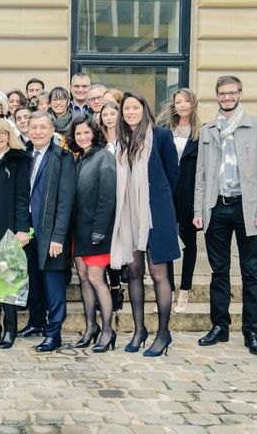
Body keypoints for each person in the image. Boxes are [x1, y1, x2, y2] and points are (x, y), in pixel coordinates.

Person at [194, 75, 257, 356]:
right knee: (219, 272)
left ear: (240, 94)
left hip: (248, 209)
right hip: (217, 207)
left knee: (250, 272)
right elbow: (202, 175)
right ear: (216, 96)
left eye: (231, 93)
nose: (226, 97)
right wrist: (199, 210)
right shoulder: (208, 130)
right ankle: (220, 326)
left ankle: (251, 331)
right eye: (222, 93)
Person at [110, 92, 180, 357]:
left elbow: (173, 175)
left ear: (144, 109)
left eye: (135, 107)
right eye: (126, 108)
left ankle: (163, 333)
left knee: (159, 273)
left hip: (155, 214)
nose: (130, 112)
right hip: (128, 215)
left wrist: (156, 202)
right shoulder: (122, 141)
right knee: (134, 271)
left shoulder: (161, 136)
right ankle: (139, 330)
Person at [16, 112, 75, 352]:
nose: (38, 132)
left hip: (51, 231)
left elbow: (66, 201)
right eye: (34, 127)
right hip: (28, 229)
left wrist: (58, 237)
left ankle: (54, 333)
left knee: (53, 284)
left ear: (52, 131)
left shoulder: (62, 157)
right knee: (34, 281)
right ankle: (36, 322)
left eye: (43, 127)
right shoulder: (25, 156)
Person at [68, 115, 117, 352]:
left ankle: (108, 330)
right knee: (84, 278)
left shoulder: (104, 157)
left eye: (86, 132)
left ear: (95, 133)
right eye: (78, 133)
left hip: (98, 230)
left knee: (97, 279)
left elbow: (108, 198)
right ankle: (90, 327)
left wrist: (99, 230)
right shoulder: (80, 158)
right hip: (79, 230)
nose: (83, 137)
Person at [0, 118, 31, 349]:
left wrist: (22, 229)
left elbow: (23, 197)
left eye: (2, 133)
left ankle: (10, 326)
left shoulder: (19, 159)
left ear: (9, 134)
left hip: (8, 226)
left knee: (7, 279)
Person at [158, 88, 201, 314]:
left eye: (186, 101)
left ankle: (185, 290)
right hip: (167, 195)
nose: (182, 105)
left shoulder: (201, 133)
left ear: (192, 104)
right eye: (178, 101)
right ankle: (171, 288)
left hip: (189, 195)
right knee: (169, 243)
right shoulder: (166, 131)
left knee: (189, 243)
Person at [98, 101, 124, 311]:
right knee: (106, 245)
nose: (108, 118)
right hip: (104, 197)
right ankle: (109, 288)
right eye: (104, 114)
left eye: (112, 113)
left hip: (123, 197)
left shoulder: (127, 138)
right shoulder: (99, 141)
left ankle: (117, 287)